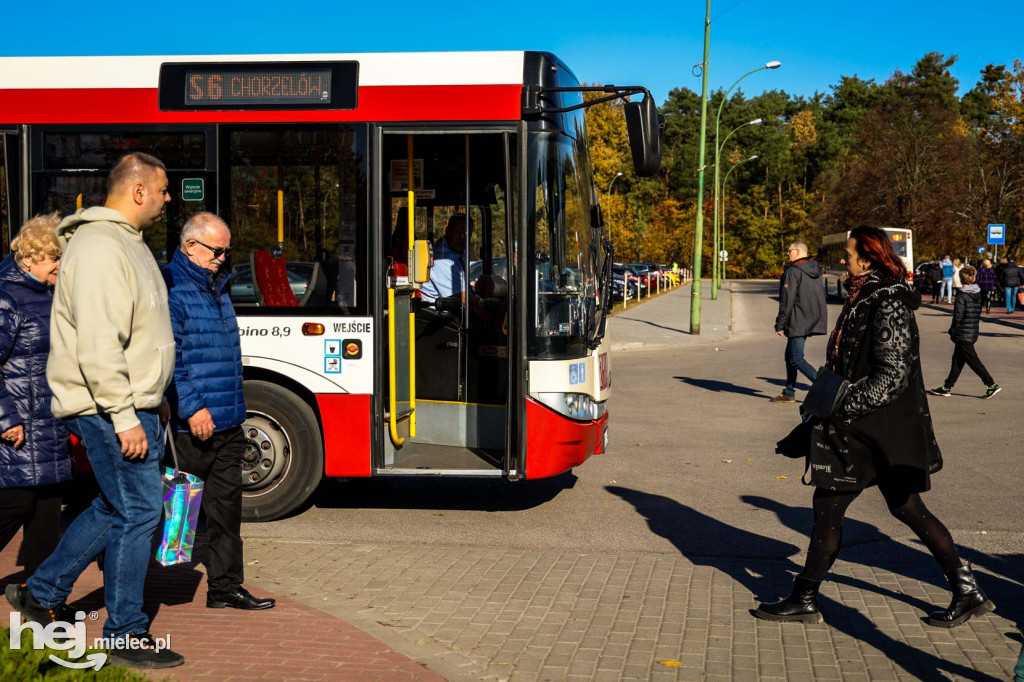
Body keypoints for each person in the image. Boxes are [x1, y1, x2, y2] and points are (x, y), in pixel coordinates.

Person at [755, 225, 994, 628]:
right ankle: (966, 590)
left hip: (876, 427)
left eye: (849, 253)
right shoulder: (864, 295)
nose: (844, 259)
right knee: (900, 506)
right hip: (871, 426)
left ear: (866, 258)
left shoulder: (888, 301)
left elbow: (893, 375)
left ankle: (805, 596)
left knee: (836, 506)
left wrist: (840, 407)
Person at [5, 153, 184, 669]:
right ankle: (124, 633)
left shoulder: (123, 243)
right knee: (140, 511)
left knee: (113, 506)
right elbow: (100, 343)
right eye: (165, 189)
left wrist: (155, 400)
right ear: (137, 191)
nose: (169, 198)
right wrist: (126, 414)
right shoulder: (103, 247)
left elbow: (138, 335)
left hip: (127, 402)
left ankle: (40, 594)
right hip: (110, 407)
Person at [163, 212, 275, 612]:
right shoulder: (172, 287)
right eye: (217, 249)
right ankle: (131, 577)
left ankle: (225, 588)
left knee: (226, 514)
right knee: (174, 513)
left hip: (228, 422)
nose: (224, 257)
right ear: (190, 245)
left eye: (228, 250)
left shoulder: (216, 286)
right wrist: (192, 407)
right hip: (192, 426)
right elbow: (170, 357)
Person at [0, 214, 72, 575]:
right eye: (54, 256)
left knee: (47, 511)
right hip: (20, 429)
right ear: (29, 258)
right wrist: (6, 420)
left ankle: (40, 597)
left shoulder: (51, 295)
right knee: (16, 501)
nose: (61, 264)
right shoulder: (7, 298)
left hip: (49, 425)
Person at [929, 266, 1000, 400]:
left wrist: (953, 330)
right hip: (972, 330)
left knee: (973, 360)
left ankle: (991, 384)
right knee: (957, 360)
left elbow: (958, 315)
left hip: (963, 332)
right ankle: (947, 387)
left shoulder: (962, 294)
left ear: (961, 279)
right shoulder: (978, 293)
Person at [770, 242, 827, 404]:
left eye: (789, 251)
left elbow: (786, 300)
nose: (788, 254)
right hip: (810, 318)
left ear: (798, 252)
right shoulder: (814, 270)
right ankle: (789, 392)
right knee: (789, 357)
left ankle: (824, 386)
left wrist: (779, 323)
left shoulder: (793, 271)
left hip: (798, 319)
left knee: (796, 358)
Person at [420, 214, 469, 303]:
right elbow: (464, 298)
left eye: (466, 233)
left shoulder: (457, 251)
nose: (462, 238)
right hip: (438, 314)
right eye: (457, 232)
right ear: (447, 231)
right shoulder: (443, 258)